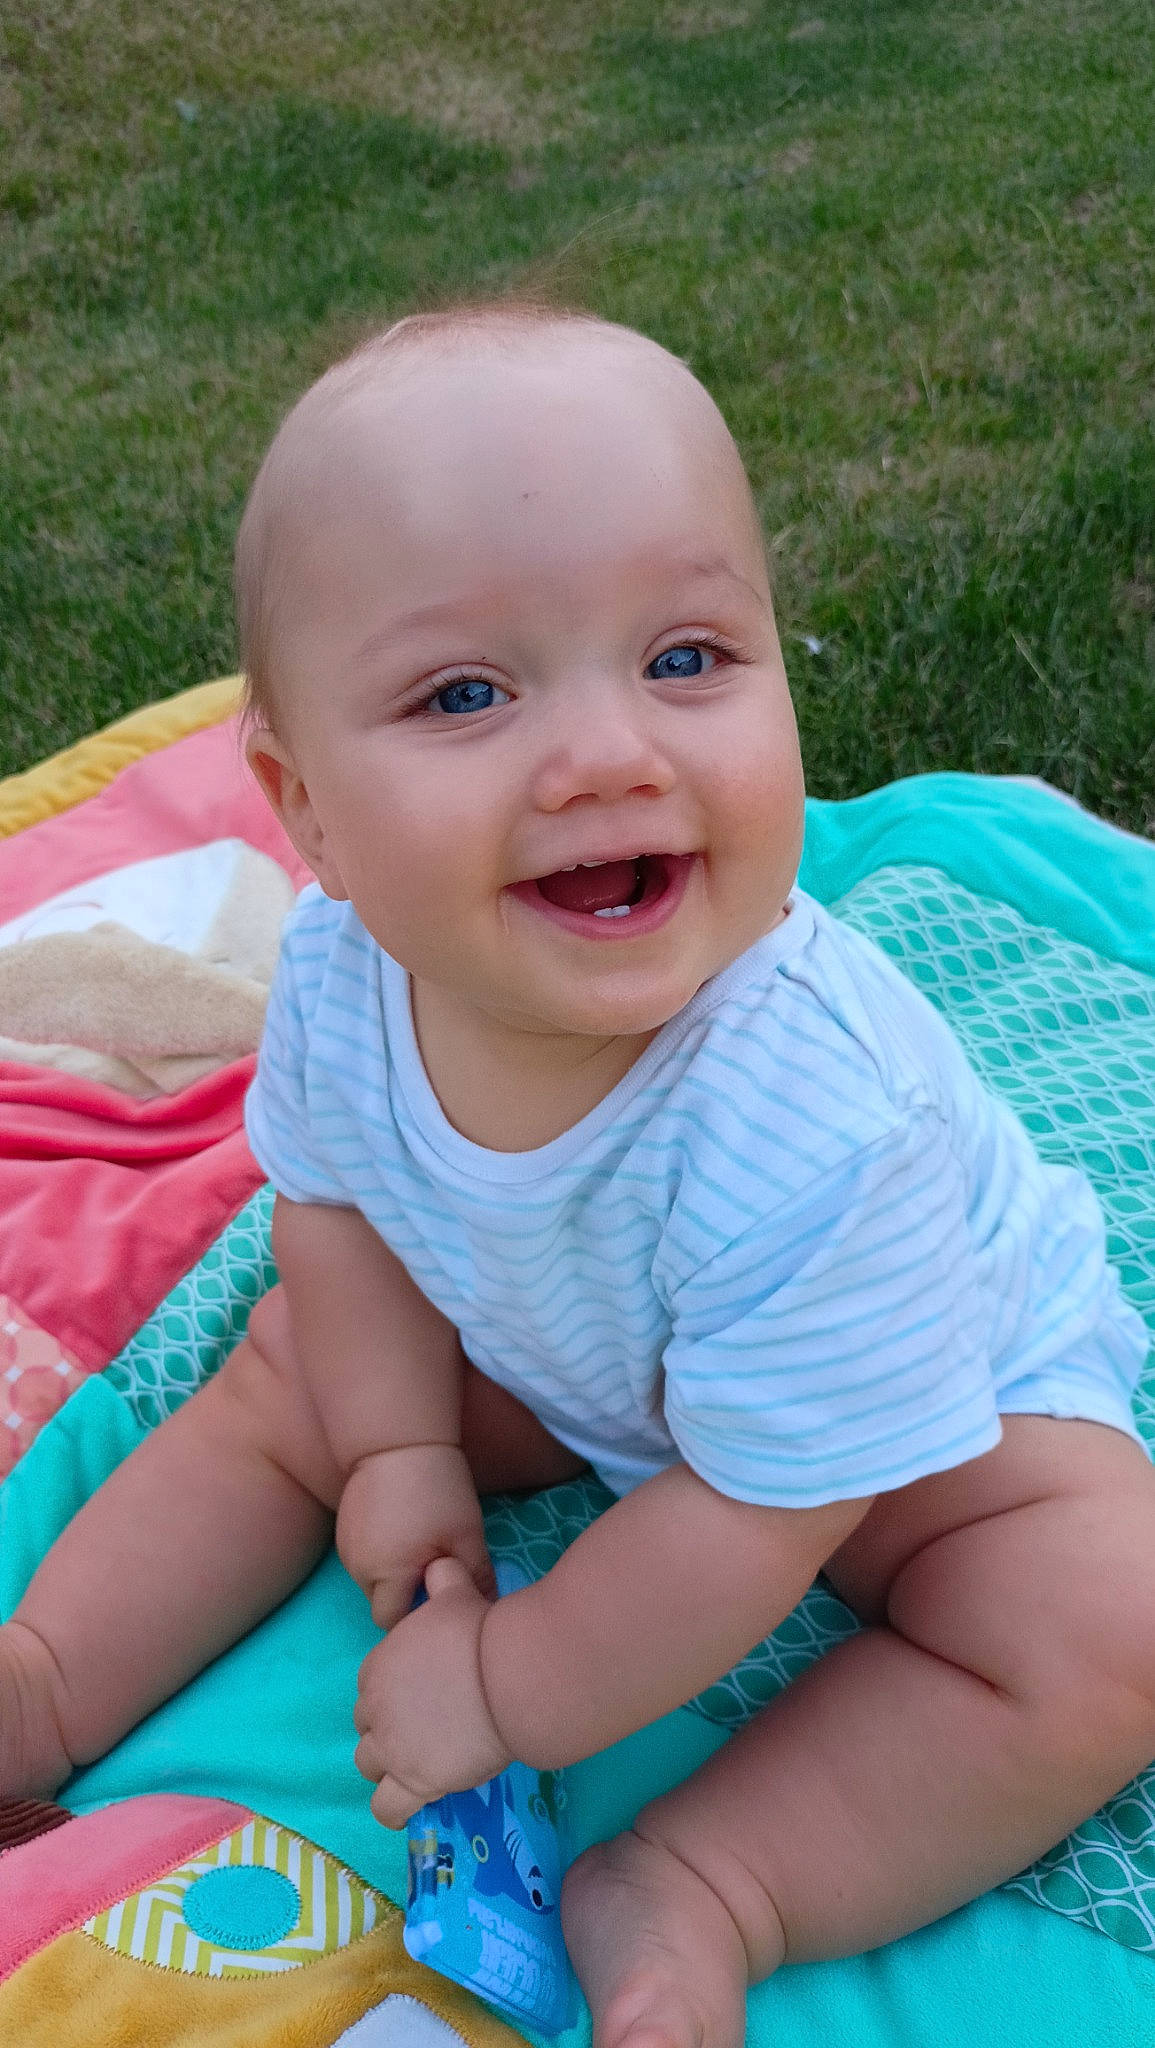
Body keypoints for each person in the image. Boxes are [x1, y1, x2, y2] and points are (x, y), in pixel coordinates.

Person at [3, 302, 1153, 2048]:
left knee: (1101, 1626)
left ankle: (710, 1884)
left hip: (915, 1432)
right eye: (467, 693)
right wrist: (391, 1441)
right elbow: (336, 1211)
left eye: (687, 659)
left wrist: (504, 1684)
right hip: (591, 1348)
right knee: (290, 1373)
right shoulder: (340, 969)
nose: (613, 751)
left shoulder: (821, 1119)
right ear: (302, 809)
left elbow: (771, 1511)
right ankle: (49, 1679)